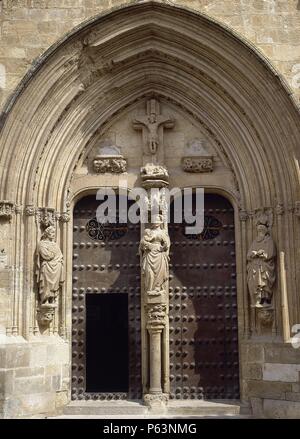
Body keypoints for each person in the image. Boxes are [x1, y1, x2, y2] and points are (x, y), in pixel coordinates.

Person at [247, 218, 276, 307]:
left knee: (264, 283)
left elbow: (271, 253)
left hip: (264, 266)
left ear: (265, 231)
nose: (260, 232)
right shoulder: (255, 242)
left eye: (261, 230)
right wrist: (253, 254)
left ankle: (266, 300)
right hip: (255, 267)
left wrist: (262, 254)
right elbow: (248, 255)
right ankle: (257, 299)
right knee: (255, 283)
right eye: (258, 230)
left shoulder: (269, 240)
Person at [139, 215, 170, 295]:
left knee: (160, 272)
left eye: (157, 220)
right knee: (149, 271)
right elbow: (142, 243)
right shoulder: (148, 231)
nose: (155, 221)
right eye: (154, 220)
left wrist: (164, 247)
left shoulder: (163, 232)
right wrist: (148, 245)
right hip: (149, 254)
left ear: (161, 221)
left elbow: (167, 244)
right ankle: (150, 289)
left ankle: (157, 288)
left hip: (159, 255)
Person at [36, 226, 64, 305]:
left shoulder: (55, 245)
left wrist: (57, 259)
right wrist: (53, 255)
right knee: (46, 284)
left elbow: (60, 255)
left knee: (54, 286)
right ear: (47, 234)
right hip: (47, 268)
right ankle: (45, 300)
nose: (53, 235)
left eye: (54, 233)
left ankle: (52, 298)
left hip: (56, 268)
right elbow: (46, 255)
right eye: (52, 233)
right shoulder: (41, 244)